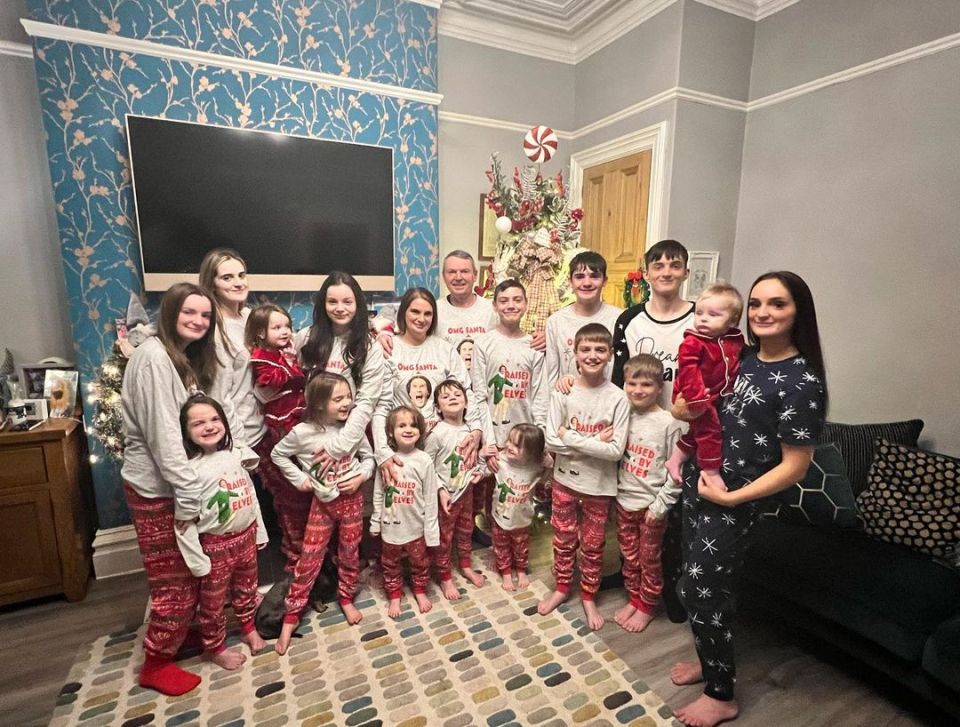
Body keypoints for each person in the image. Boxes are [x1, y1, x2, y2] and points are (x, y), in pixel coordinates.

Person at [670, 271, 828, 727]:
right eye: (757, 303)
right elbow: (698, 402)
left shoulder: (802, 382)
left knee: (703, 590)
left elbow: (795, 467)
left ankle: (721, 694)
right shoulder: (741, 356)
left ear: (798, 312)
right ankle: (707, 657)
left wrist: (732, 499)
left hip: (734, 501)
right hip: (702, 482)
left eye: (777, 304)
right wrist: (682, 407)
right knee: (692, 581)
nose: (763, 312)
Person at [121, 282, 249, 696]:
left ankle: (181, 637)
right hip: (160, 489)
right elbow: (166, 440)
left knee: (193, 573)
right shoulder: (154, 359)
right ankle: (155, 663)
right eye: (188, 313)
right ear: (170, 313)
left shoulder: (180, 359)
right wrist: (191, 500)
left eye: (205, 315)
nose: (198, 321)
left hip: (177, 486)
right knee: (174, 579)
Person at [611, 239, 694, 623]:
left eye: (674, 265)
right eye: (657, 265)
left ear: (685, 273)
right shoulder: (630, 321)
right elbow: (619, 379)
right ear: (646, 273)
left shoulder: (700, 321)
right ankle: (638, 594)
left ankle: (669, 599)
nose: (665, 271)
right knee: (635, 547)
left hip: (683, 436)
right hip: (635, 452)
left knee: (669, 535)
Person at [271, 373, 376, 653]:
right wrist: (300, 479)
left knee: (350, 552)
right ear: (318, 404)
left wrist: (361, 477)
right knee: (309, 557)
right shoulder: (302, 433)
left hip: (352, 501)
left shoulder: (351, 429)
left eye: (348, 397)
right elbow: (278, 455)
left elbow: (369, 458)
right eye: (338, 398)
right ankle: (290, 616)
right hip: (322, 505)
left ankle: (346, 597)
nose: (347, 403)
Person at [539, 323, 630, 630]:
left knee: (592, 545)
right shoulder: (563, 391)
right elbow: (551, 440)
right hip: (564, 482)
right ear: (575, 354)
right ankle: (563, 587)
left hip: (599, 487)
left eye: (600, 350)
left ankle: (589, 595)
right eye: (586, 349)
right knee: (563, 540)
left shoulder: (618, 398)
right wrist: (595, 443)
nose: (592, 355)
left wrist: (572, 438)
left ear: (609, 355)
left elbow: (616, 451)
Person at [175, 394, 267, 670]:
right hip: (215, 545)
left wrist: (259, 533)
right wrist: (197, 560)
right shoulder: (189, 471)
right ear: (186, 432)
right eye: (198, 423)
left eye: (215, 419)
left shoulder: (235, 456)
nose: (209, 426)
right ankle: (215, 647)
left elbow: (250, 497)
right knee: (212, 602)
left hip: (245, 538)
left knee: (247, 589)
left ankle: (248, 626)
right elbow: (183, 523)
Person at [372, 288, 484, 488]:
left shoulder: (444, 349)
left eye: (428, 313)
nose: (421, 319)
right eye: (415, 312)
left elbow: (466, 391)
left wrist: (476, 429)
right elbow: (381, 407)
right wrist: (382, 452)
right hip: (402, 451)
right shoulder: (388, 348)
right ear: (403, 313)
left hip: (442, 451)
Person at [613, 355, 684, 633]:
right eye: (632, 383)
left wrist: (660, 506)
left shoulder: (668, 422)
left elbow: (676, 471)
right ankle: (634, 598)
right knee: (629, 557)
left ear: (659, 387)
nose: (638, 390)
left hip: (651, 508)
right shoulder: (622, 416)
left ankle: (648, 605)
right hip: (623, 503)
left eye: (646, 384)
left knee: (649, 560)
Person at [664, 283, 744, 491]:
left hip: (715, 394)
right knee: (709, 429)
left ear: (732, 321)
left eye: (713, 314)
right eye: (699, 313)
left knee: (696, 432)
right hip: (692, 394)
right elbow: (688, 370)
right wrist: (697, 399)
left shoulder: (733, 340)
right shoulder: (693, 342)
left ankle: (675, 459)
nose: (703, 318)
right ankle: (711, 471)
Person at [247, 303, 308, 573]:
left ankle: (309, 548)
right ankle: (296, 552)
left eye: (287, 326)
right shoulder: (262, 357)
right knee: (289, 494)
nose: (285, 331)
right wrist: (289, 369)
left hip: (297, 420)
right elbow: (267, 381)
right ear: (261, 332)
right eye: (277, 327)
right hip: (280, 425)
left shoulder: (284, 354)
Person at [370, 405, 440, 618]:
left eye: (413, 425)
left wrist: (431, 530)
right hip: (390, 529)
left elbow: (430, 497)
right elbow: (379, 492)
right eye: (401, 425)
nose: (408, 429)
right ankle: (394, 595)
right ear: (391, 432)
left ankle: (419, 590)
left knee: (420, 563)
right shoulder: (386, 460)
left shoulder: (424, 460)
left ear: (420, 431)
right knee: (390, 565)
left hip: (416, 528)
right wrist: (375, 520)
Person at [423, 379, 486, 600]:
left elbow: (473, 458)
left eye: (457, 394)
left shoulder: (472, 431)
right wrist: (440, 489)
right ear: (438, 407)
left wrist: (478, 470)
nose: (452, 398)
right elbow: (427, 465)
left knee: (466, 530)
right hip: (445, 496)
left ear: (466, 403)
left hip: (466, 492)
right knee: (444, 538)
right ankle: (445, 576)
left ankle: (466, 565)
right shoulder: (437, 433)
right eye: (446, 396)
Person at [473, 279, 548, 451]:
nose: (511, 305)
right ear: (495, 306)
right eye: (504, 301)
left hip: (526, 441)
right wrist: (489, 441)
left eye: (517, 300)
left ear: (526, 304)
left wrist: (540, 439)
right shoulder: (483, 344)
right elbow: (479, 395)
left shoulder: (534, 346)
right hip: (494, 440)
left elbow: (540, 398)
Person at [544, 251, 623, 388]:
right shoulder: (556, 322)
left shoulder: (619, 319)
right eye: (579, 277)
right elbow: (551, 375)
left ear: (604, 281)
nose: (587, 283)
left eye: (594, 276)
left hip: (607, 404)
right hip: (569, 404)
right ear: (570, 282)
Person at [491, 423, 546, 592]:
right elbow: (483, 464)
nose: (509, 446)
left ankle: (521, 570)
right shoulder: (500, 460)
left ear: (532, 452)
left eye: (516, 445)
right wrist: (484, 455)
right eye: (509, 441)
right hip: (500, 515)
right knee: (501, 544)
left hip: (523, 517)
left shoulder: (536, 466)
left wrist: (545, 458)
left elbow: (549, 468)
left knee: (521, 545)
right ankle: (506, 572)